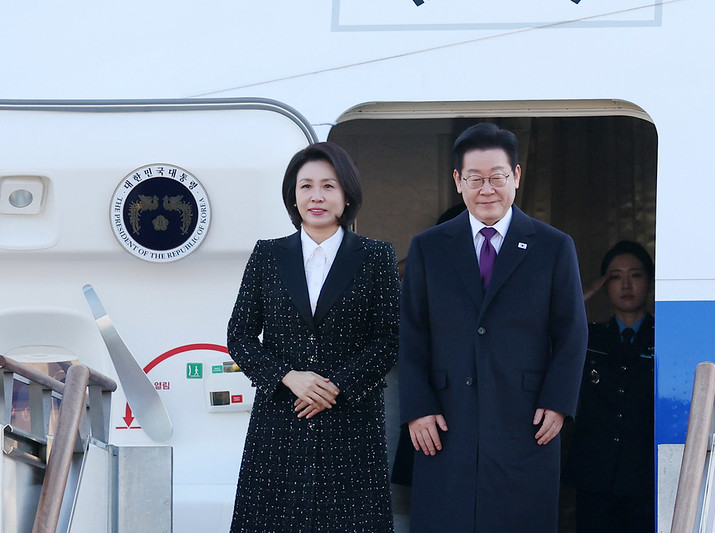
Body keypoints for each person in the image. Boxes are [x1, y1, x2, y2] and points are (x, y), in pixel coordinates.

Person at [398, 123, 588, 532]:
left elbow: (572, 332)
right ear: (457, 181)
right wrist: (417, 409)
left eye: (498, 177)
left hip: (526, 419)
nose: (487, 189)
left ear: (516, 177)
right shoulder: (429, 247)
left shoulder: (553, 246)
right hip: (444, 422)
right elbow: (412, 335)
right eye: (475, 179)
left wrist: (559, 402)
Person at [227, 142, 399, 532]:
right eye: (306, 186)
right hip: (280, 422)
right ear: (293, 194)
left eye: (328, 186)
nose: (316, 196)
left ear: (347, 194)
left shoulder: (376, 256)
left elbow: (390, 338)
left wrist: (335, 387)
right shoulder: (268, 255)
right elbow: (239, 335)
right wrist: (288, 376)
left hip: (351, 423)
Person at [563, 240, 655, 533]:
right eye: (615, 276)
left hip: (646, 473)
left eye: (636, 274)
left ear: (650, 282)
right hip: (595, 475)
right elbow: (542, 334)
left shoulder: (666, 335)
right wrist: (581, 296)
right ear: (604, 284)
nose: (626, 284)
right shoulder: (588, 336)